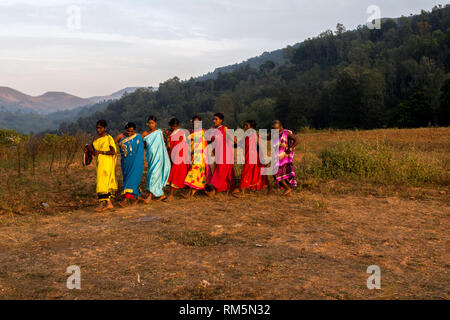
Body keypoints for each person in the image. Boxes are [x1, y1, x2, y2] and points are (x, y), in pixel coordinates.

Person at [232, 120, 269, 197]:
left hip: (253, 157)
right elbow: (239, 144)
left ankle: (243, 193)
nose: (245, 127)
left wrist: (264, 156)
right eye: (245, 125)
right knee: (250, 172)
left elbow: (260, 145)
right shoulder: (246, 135)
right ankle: (265, 190)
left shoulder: (254, 134)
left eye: (246, 125)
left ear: (251, 127)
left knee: (246, 172)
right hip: (247, 156)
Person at [140, 116, 171, 202]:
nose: (151, 125)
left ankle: (149, 197)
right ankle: (161, 195)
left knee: (153, 175)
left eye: (152, 123)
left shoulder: (159, 132)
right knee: (153, 174)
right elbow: (140, 143)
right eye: (149, 123)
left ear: (155, 123)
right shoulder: (145, 134)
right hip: (151, 157)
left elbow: (165, 142)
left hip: (159, 156)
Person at [114, 122, 144, 207]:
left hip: (136, 162)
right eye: (128, 131)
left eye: (132, 131)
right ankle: (137, 197)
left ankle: (125, 200)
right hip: (126, 163)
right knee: (128, 179)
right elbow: (111, 144)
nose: (130, 133)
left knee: (131, 180)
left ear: (134, 130)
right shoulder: (120, 137)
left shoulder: (138, 137)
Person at [205, 113, 235, 197]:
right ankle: (223, 189)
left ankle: (214, 190)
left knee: (220, 171)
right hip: (217, 154)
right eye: (213, 119)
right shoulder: (212, 130)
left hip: (225, 153)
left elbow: (232, 139)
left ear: (221, 120)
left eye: (216, 119)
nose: (214, 121)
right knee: (220, 170)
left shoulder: (224, 129)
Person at [90, 120, 118, 212]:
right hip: (99, 162)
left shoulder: (108, 138)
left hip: (106, 162)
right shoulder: (95, 137)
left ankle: (101, 203)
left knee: (102, 182)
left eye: (100, 128)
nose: (98, 130)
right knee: (102, 181)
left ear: (105, 128)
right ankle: (108, 203)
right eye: (97, 128)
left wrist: (101, 152)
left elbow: (113, 151)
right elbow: (92, 150)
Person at [182, 116, 209, 198]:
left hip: (201, 156)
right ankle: (191, 193)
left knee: (194, 172)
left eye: (197, 122)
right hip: (194, 155)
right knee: (198, 174)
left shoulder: (204, 132)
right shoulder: (191, 133)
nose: (196, 124)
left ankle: (189, 193)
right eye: (194, 122)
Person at [271, 120, 299, 196]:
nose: (274, 130)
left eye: (276, 129)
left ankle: (287, 188)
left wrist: (290, 149)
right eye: (273, 129)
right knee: (276, 173)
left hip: (285, 157)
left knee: (276, 172)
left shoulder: (286, 133)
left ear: (280, 127)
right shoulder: (274, 134)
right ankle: (287, 189)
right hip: (278, 157)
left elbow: (296, 140)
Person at [166, 118, 189, 201]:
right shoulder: (170, 133)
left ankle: (171, 195)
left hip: (179, 156)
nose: (174, 127)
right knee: (176, 175)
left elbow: (183, 145)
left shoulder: (181, 133)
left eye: (175, 126)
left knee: (174, 175)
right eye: (172, 126)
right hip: (172, 156)